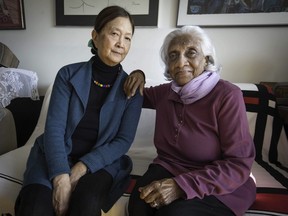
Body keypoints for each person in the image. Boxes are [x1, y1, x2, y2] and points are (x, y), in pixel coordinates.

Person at [14, 5, 143, 216]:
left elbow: (123, 141)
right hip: (55, 154)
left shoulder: (133, 89)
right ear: (96, 35)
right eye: (114, 34)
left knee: (86, 204)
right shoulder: (67, 75)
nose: (121, 43)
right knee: (34, 207)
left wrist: (81, 168)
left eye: (128, 38)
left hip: (100, 162)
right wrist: (60, 176)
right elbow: (54, 129)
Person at [124, 25, 256, 216]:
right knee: (139, 205)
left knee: (175, 214)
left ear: (207, 59)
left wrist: (180, 186)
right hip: (170, 167)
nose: (180, 62)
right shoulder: (166, 92)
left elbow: (238, 164)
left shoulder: (227, 95)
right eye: (173, 56)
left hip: (219, 180)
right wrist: (138, 74)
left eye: (191, 53)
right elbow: (136, 95)